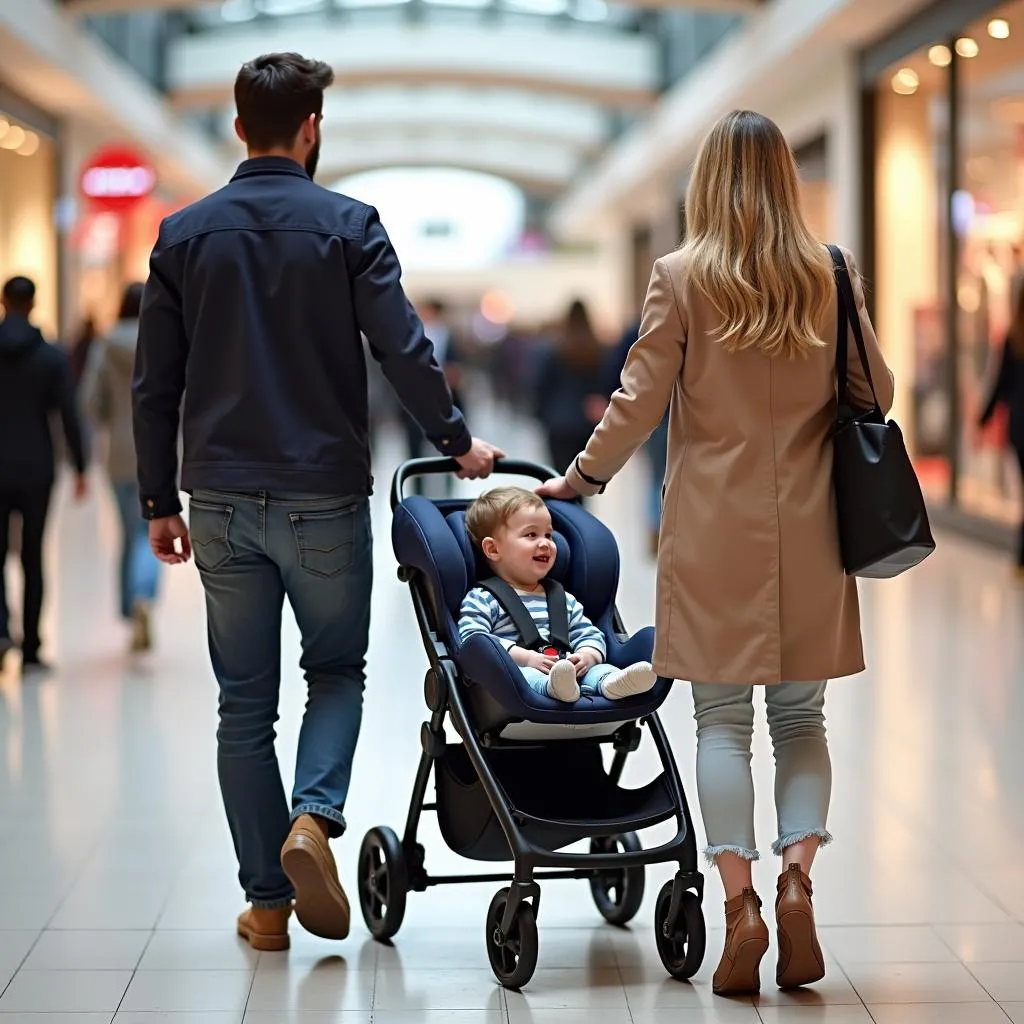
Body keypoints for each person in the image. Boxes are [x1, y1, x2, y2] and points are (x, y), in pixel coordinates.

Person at [131, 52, 503, 953]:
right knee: (335, 672)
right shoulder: (348, 225)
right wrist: (456, 443)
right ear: (311, 129)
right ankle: (314, 818)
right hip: (323, 494)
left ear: (236, 128)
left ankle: (266, 904)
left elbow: (154, 385)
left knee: (242, 705)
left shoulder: (182, 236)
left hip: (217, 495)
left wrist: (156, 500)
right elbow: (404, 349)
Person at [538, 110, 894, 997]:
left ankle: (741, 907)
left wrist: (579, 480)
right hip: (813, 531)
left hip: (711, 532)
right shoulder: (829, 272)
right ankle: (800, 879)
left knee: (722, 721)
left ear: (707, 182)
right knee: (801, 719)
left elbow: (636, 400)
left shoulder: (681, 277)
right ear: (784, 180)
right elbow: (878, 391)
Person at [458, 487, 656, 702]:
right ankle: (552, 687)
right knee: (525, 676)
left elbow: (587, 632)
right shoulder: (483, 598)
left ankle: (612, 682)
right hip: (516, 678)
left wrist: (587, 656)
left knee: (599, 669)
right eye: (531, 535)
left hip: (569, 671)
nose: (546, 543)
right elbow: (474, 641)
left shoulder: (562, 599)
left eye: (549, 535)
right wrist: (526, 658)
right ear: (493, 549)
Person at [0, 276, 88, 673]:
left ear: (4, 302)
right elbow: (68, 414)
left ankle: (1, 633)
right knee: (33, 555)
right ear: (33, 304)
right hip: (37, 466)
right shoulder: (51, 356)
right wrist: (81, 464)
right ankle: (33, 647)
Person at [82, 282, 161, 650]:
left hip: (119, 453)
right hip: (160, 452)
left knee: (128, 533)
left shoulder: (105, 345)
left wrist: (109, 419)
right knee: (153, 529)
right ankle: (143, 595)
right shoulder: (167, 340)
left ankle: (130, 608)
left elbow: (89, 401)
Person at [978, 281, 1024, 573]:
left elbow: (1000, 384)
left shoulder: (1014, 338)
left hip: (1019, 425)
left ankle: (1021, 559)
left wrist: (984, 417)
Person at [533, 300, 606, 475]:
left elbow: (541, 386)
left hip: (556, 420)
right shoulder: (596, 349)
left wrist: (540, 414)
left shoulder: (554, 348)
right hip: (584, 421)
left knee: (558, 476)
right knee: (581, 477)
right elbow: (603, 385)